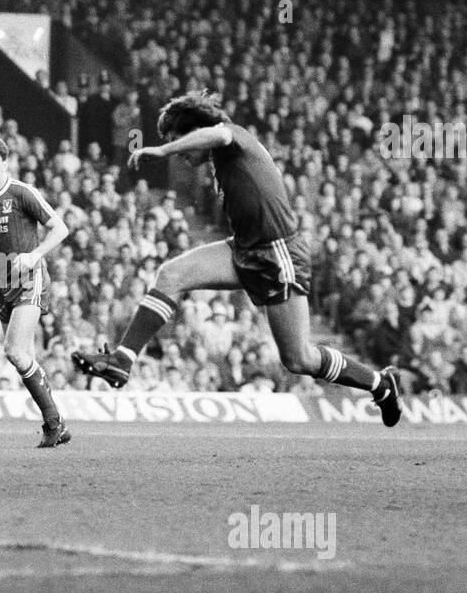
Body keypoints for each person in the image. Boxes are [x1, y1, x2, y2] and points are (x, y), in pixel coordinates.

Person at [71, 91, 402, 426]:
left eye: (180, 142)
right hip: (244, 248)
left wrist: (162, 149)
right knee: (171, 274)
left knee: (298, 359)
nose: (181, 154)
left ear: (194, 131)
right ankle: (121, 361)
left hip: (278, 254)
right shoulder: (221, 158)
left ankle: (379, 384)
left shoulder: (233, 135)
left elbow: (217, 132)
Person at [0, 136, 72, 447]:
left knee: (14, 351)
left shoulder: (22, 193)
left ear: (5, 163)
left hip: (30, 277)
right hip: (1, 283)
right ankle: (56, 424)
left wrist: (35, 255)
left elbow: (60, 228)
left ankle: (54, 423)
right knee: (23, 356)